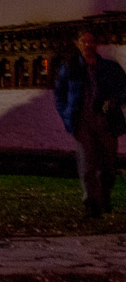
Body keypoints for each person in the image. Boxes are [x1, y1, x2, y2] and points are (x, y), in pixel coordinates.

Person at [54, 30, 126, 218]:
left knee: (108, 165)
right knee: (87, 165)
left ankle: (104, 197)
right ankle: (91, 203)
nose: (88, 45)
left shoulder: (110, 68)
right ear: (77, 44)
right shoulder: (69, 67)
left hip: (106, 121)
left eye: (91, 41)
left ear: (96, 44)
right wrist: (67, 115)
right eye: (84, 41)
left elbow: (124, 90)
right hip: (82, 121)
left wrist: (114, 101)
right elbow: (60, 94)